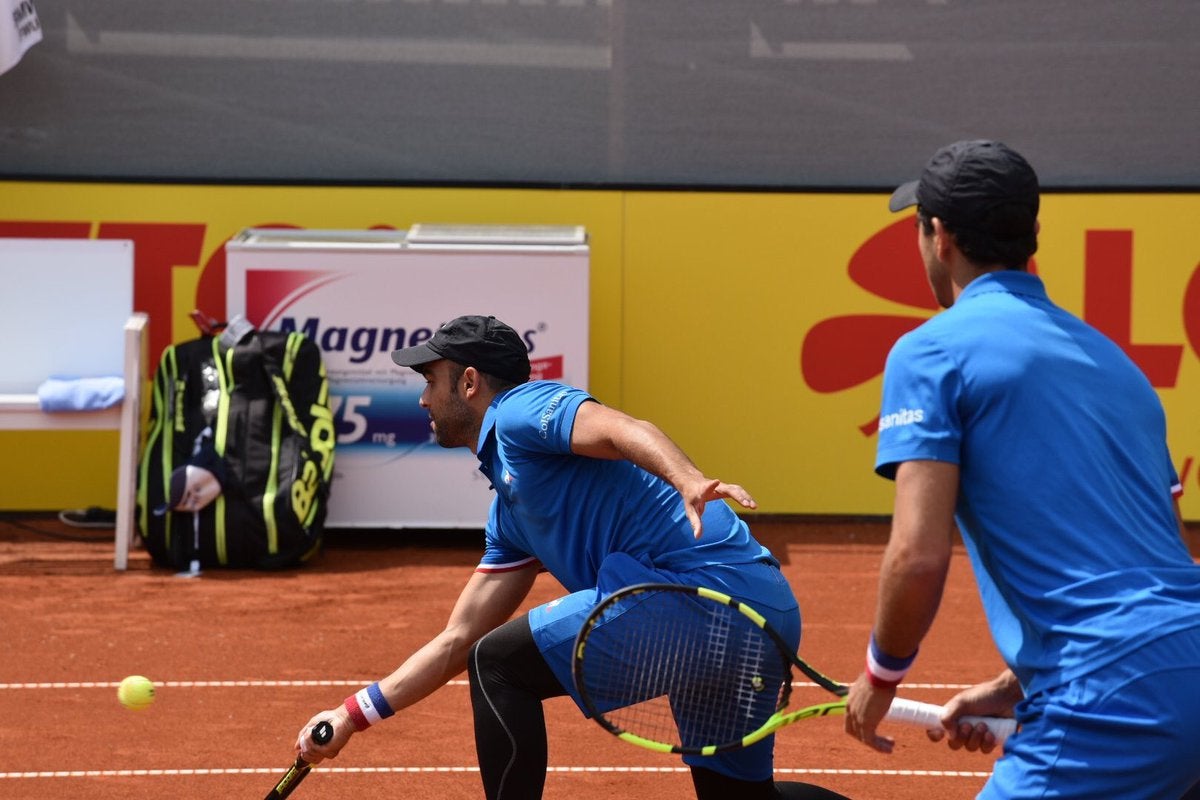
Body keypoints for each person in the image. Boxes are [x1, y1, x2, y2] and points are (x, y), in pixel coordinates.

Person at [294, 314, 849, 800]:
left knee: (499, 664)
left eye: (430, 381)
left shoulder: (518, 410)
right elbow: (456, 640)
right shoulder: (511, 517)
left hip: (698, 599)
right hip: (764, 609)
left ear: (469, 382)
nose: (422, 399)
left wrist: (687, 478)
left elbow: (622, 429)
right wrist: (349, 715)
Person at [842, 139, 1200, 798]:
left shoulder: (931, 353)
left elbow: (917, 556)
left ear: (940, 237)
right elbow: (1163, 557)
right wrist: (1016, 685)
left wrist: (880, 676)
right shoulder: (1118, 366)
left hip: (1110, 694)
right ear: (1032, 232)